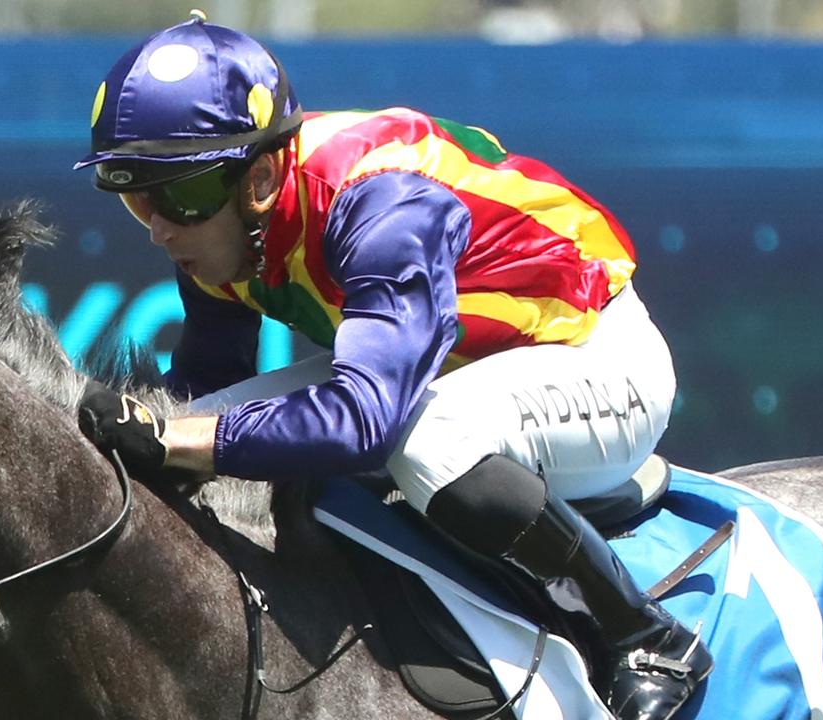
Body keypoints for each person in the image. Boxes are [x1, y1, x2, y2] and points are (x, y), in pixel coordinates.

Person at [73, 13, 712, 720]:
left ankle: (644, 635)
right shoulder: (222, 222)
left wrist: (176, 443)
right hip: (459, 369)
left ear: (260, 177)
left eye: (179, 195)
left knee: (425, 443)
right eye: (137, 199)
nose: (160, 226)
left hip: (595, 355)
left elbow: (368, 422)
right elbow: (207, 394)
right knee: (192, 424)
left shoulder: (379, 202)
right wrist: (160, 439)